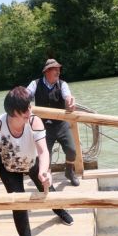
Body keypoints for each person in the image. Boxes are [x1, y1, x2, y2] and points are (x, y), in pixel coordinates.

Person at [0, 87, 74, 236]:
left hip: (31, 161)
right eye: (24, 109)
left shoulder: (34, 121)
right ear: (12, 112)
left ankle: (59, 210)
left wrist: (44, 171)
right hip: (8, 167)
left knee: (46, 186)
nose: (29, 111)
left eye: (29, 106)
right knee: (19, 205)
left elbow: (43, 151)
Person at [26, 58, 80, 186]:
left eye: (59, 70)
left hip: (61, 124)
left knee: (72, 151)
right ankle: (47, 183)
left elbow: (68, 96)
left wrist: (70, 101)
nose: (58, 72)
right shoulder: (35, 84)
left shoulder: (62, 84)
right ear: (47, 72)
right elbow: (26, 95)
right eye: (55, 70)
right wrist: (23, 101)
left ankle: (69, 171)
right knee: (46, 158)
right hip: (43, 127)